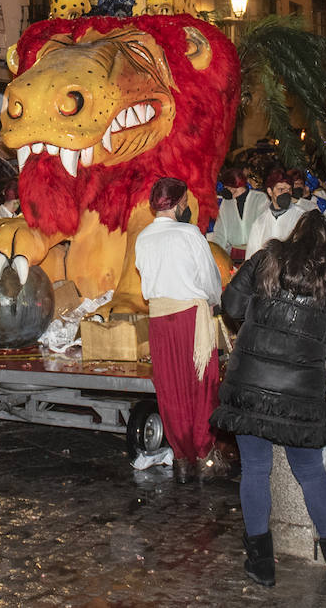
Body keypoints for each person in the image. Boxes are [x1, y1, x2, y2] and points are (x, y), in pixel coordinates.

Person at [210, 211, 326, 592]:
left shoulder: (265, 259)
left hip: (250, 386)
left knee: (256, 471)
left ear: (294, 235)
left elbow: (232, 305)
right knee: (310, 473)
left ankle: (262, 563)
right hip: (299, 393)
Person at [134, 177, 227, 482]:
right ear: (177, 203)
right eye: (185, 201)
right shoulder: (189, 234)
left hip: (159, 320)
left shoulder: (143, 238)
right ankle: (203, 454)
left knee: (170, 389)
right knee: (201, 386)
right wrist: (215, 302)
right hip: (190, 317)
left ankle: (181, 457)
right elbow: (211, 280)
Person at [209, 167, 269, 263]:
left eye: (228, 187)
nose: (227, 189)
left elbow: (264, 228)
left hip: (256, 252)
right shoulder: (226, 203)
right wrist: (216, 255)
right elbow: (220, 232)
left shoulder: (260, 199)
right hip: (235, 253)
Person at [243, 170, 303, 255]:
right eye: (281, 189)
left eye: (289, 189)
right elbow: (251, 256)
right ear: (270, 191)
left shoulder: (301, 217)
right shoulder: (260, 222)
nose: (286, 193)